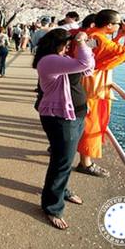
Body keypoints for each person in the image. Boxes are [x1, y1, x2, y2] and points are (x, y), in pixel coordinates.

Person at [33, 29, 95, 230]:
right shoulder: (49, 60)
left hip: (74, 115)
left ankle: (62, 190)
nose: (70, 48)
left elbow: (88, 68)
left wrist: (82, 47)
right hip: (60, 119)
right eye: (67, 45)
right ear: (56, 44)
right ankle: (52, 207)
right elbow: (85, 63)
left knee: (65, 160)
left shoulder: (63, 59)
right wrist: (82, 43)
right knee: (62, 161)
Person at [77, 10, 125, 177]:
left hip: (83, 85)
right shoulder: (100, 39)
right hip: (94, 89)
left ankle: (83, 159)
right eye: (117, 25)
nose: (119, 27)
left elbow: (103, 51)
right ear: (109, 25)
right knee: (91, 125)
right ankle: (85, 163)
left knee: (86, 124)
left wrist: (119, 37)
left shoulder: (90, 34)